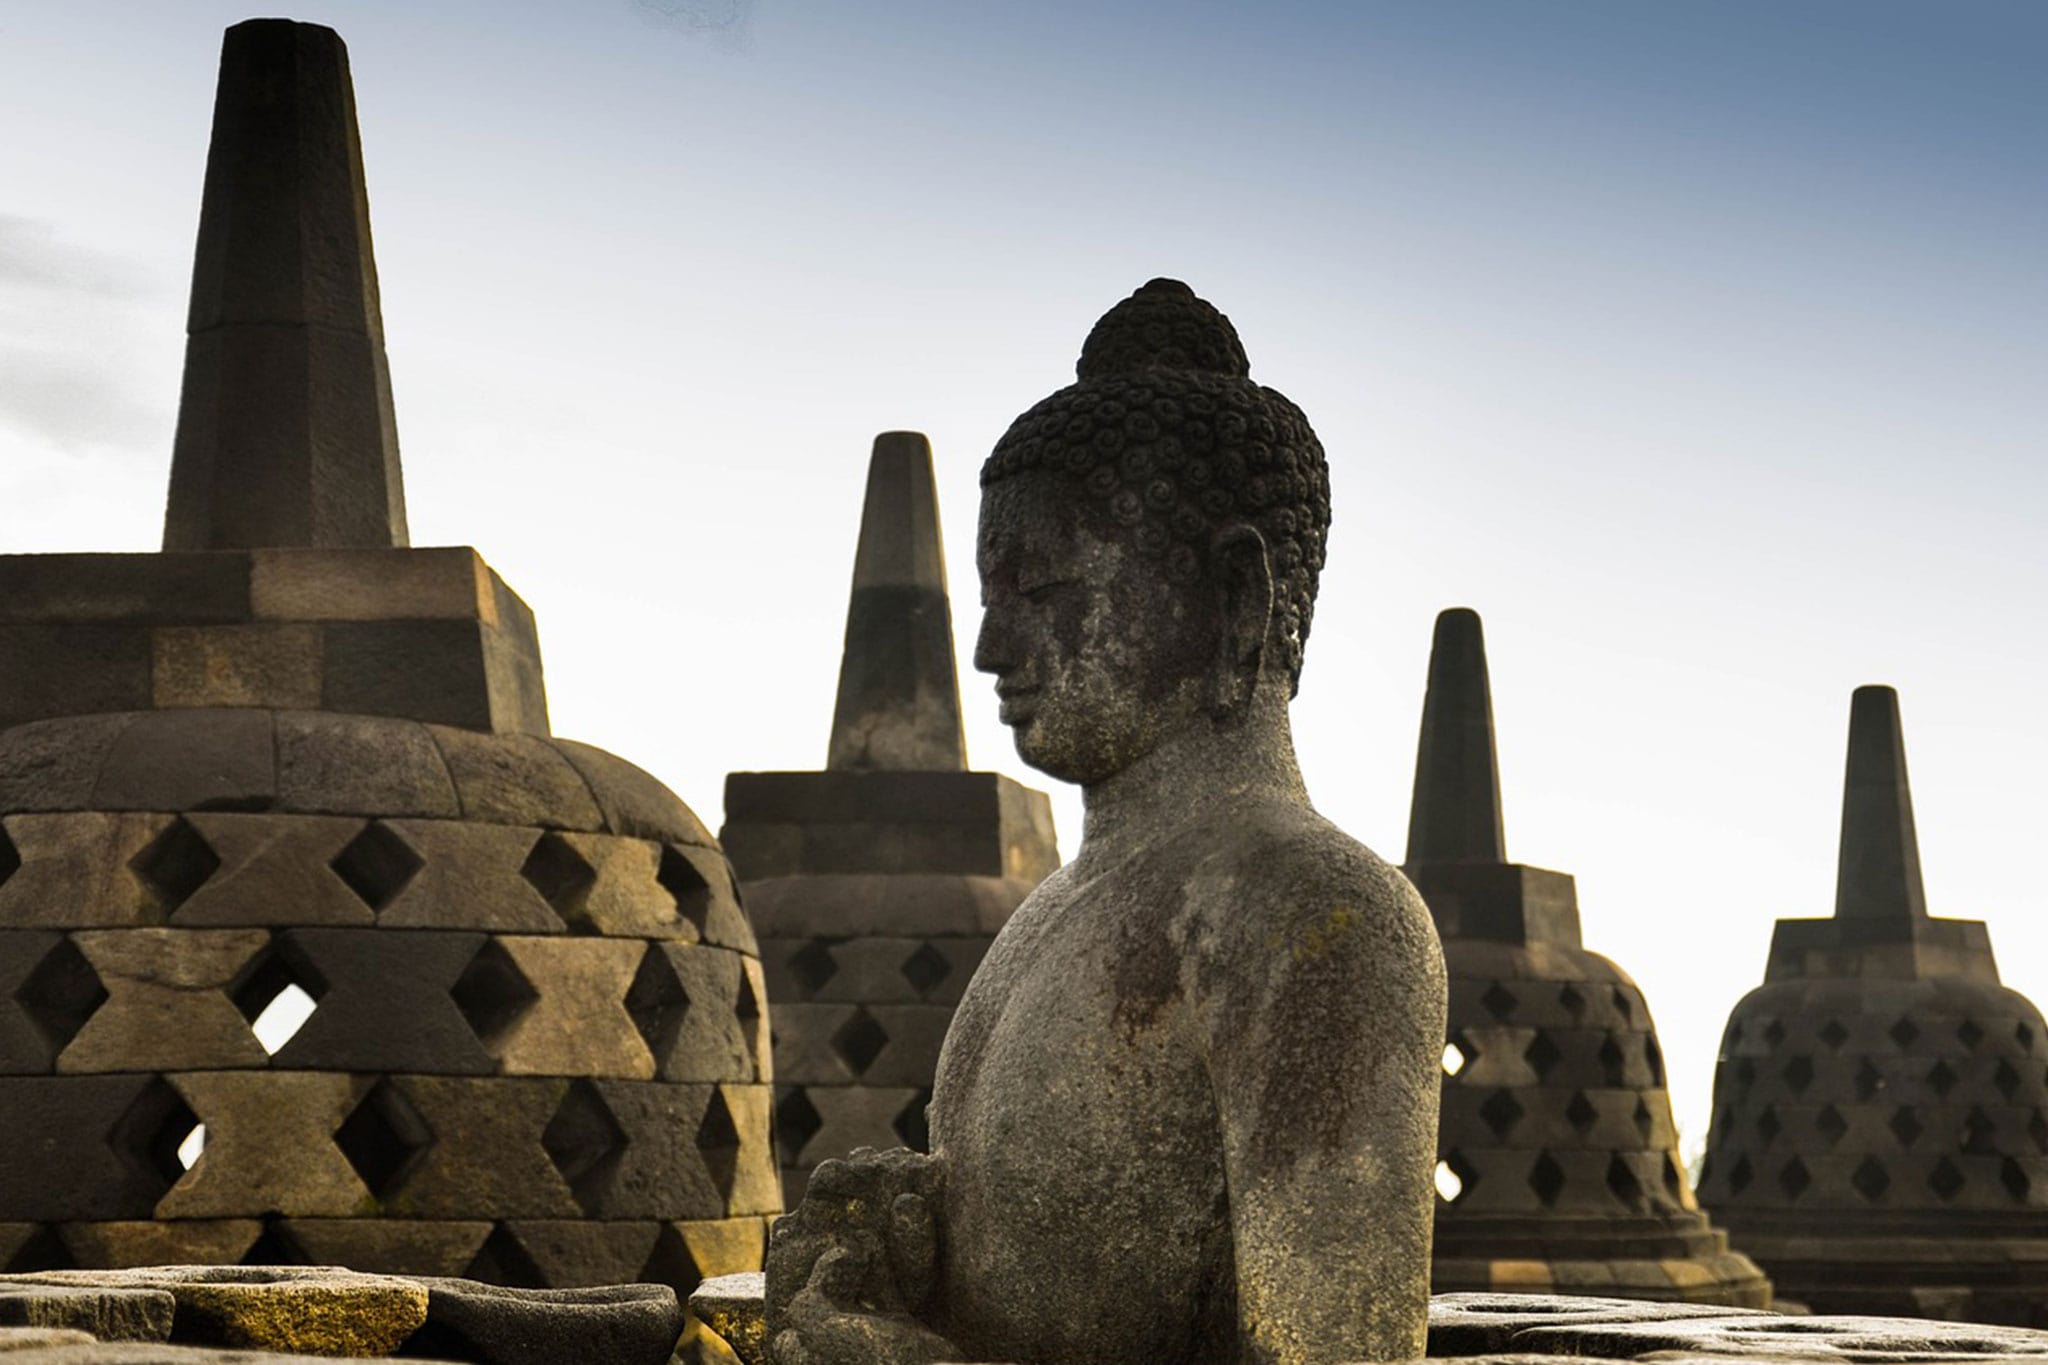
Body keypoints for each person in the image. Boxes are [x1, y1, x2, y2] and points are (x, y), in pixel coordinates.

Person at [765, 279, 1446, 1365]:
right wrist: (897, 1272)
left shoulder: (1313, 917)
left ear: (1234, 599)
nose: (991, 649)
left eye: (1041, 592)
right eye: (990, 598)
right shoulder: (1051, 911)